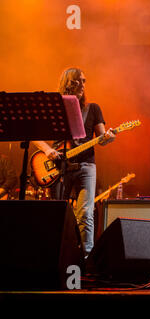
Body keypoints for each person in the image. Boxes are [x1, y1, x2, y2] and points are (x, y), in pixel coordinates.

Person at [33, 67, 116, 256]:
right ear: (69, 83)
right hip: (58, 166)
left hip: (86, 165)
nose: (83, 85)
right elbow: (34, 135)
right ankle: (55, 255)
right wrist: (48, 150)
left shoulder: (93, 108)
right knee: (58, 212)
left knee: (85, 213)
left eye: (85, 81)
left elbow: (102, 138)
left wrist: (110, 137)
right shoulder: (55, 108)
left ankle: (86, 258)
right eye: (79, 81)